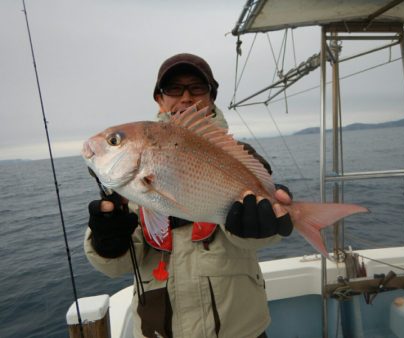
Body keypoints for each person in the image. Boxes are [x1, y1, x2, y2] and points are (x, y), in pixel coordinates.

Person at [84, 53, 293, 338]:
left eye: (196, 88)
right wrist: (107, 242)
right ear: (159, 99)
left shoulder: (240, 155)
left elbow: (264, 237)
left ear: (211, 97)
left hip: (238, 329)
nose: (185, 97)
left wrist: (266, 225)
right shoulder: (123, 184)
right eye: (173, 89)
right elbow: (117, 265)